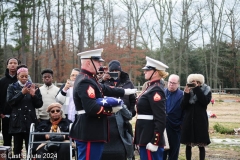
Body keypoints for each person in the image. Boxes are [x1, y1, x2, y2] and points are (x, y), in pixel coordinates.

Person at [69, 48, 137, 160]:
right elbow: (91, 108)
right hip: (90, 130)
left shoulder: (89, 79)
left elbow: (104, 88)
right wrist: (112, 110)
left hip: (92, 130)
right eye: (98, 62)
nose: (101, 64)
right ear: (88, 62)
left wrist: (124, 91)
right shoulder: (85, 81)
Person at [99, 60, 136, 160]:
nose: (115, 72)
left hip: (124, 116)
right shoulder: (104, 82)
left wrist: (130, 113)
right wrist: (102, 80)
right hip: (107, 118)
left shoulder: (128, 83)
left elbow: (133, 101)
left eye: (117, 70)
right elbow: (95, 91)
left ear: (120, 70)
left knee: (124, 143)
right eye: (113, 70)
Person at [134, 56, 168, 160]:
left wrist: (155, 141)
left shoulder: (156, 90)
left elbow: (160, 117)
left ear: (156, 72)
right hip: (144, 134)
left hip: (149, 136)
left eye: (148, 70)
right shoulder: (150, 87)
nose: (144, 72)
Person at [6, 66, 43, 160]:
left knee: (30, 146)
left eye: (26, 76)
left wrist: (34, 95)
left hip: (30, 120)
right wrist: (21, 93)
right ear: (18, 76)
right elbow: (10, 102)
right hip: (17, 121)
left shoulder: (34, 87)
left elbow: (39, 104)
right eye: (22, 76)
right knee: (17, 147)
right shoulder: (12, 87)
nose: (24, 78)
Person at [180, 74, 211, 160]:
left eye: (197, 82)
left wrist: (197, 89)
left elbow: (204, 101)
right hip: (189, 120)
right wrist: (186, 94)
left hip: (201, 120)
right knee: (188, 145)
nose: (194, 84)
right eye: (192, 82)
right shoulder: (188, 91)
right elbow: (183, 106)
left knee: (201, 145)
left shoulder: (206, 90)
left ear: (200, 82)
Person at [0, 57, 20, 147]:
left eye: (15, 63)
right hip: (5, 116)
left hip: (18, 116)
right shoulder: (2, 81)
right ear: (7, 66)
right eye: (11, 63)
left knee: (17, 142)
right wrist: (1, 113)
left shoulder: (21, 81)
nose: (13, 65)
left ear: (18, 66)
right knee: (7, 141)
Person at [163, 74, 184, 160]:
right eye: (170, 82)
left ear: (178, 84)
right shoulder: (162, 93)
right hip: (163, 127)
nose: (171, 84)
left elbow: (185, 111)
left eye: (174, 83)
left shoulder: (182, 95)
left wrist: (181, 124)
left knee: (173, 153)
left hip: (175, 127)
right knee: (162, 153)